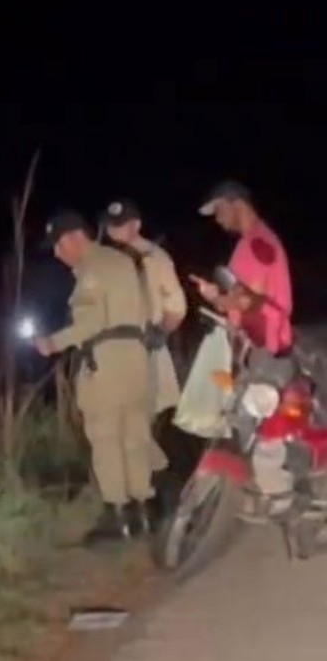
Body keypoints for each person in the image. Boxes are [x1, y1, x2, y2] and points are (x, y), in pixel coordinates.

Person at [34, 211, 155, 543]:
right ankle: (145, 513)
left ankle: (119, 517)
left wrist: (52, 343)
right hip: (138, 359)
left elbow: (91, 322)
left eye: (58, 246)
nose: (58, 255)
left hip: (108, 362)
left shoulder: (91, 269)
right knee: (136, 436)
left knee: (106, 439)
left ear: (75, 237)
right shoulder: (123, 261)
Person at [100, 198, 187, 475]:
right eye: (111, 227)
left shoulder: (156, 258)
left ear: (136, 225)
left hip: (144, 348)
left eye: (121, 226)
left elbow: (177, 307)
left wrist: (161, 331)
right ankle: (147, 475)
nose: (114, 232)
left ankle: (147, 478)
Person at [191, 180, 293, 356]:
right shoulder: (246, 244)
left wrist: (216, 299)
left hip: (265, 351)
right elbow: (239, 299)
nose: (217, 218)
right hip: (253, 348)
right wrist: (217, 296)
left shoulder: (258, 243)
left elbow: (247, 302)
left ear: (237, 204)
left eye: (219, 209)